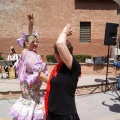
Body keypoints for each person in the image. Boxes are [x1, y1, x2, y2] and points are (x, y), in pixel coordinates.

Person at [9, 14, 48, 120]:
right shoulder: (30, 55)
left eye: (37, 41)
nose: (36, 44)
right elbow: (39, 74)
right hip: (32, 100)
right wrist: (54, 82)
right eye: (33, 42)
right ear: (26, 44)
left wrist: (31, 23)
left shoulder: (27, 52)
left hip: (27, 97)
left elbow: (29, 37)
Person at [44, 24, 81, 120]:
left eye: (56, 52)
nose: (54, 55)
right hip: (52, 114)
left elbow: (60, 44)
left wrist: (64, 31)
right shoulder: (58, 69)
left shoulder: (73, 67)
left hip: (65, 116)